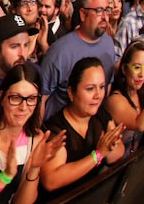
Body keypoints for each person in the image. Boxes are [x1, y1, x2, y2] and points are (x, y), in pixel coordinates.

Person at [0, 65, 66, 204]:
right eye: (16, 98)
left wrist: (34, 169)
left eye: (31, 99)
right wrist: (5, 177)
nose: (23, 107)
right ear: (2, 97)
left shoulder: (36, 139)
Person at [40, 58, 125, 200]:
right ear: (71, 93)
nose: (98, 95)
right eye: (90, 89)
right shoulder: (56, 129)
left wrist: (109, 148)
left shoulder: (100, 115)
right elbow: (50, 181)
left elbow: (116, 154)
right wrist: (98, 154)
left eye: (102, 87)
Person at [41, 0, 117, 119]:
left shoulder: (109, 44)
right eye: (99, 11)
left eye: (107, 10)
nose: (105, 16)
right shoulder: (60, 51)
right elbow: (40, 100)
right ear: (82, 14)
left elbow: (107, 87)